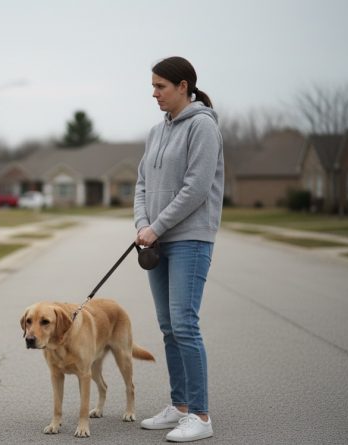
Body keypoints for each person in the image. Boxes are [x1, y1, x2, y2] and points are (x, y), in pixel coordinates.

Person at [133, 56, 224, 443]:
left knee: (185, 324)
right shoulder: (157, 132)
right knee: (169, 326)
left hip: (190, 238)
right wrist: (142, 225)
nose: (154, 93)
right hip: (156, 240)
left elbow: (196, 189)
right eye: (152, 86)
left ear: (183, 86)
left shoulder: (202, 126)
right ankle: (180, 406)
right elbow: (140, 184)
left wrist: (157, 226)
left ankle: (201, 416)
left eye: (161, 87)